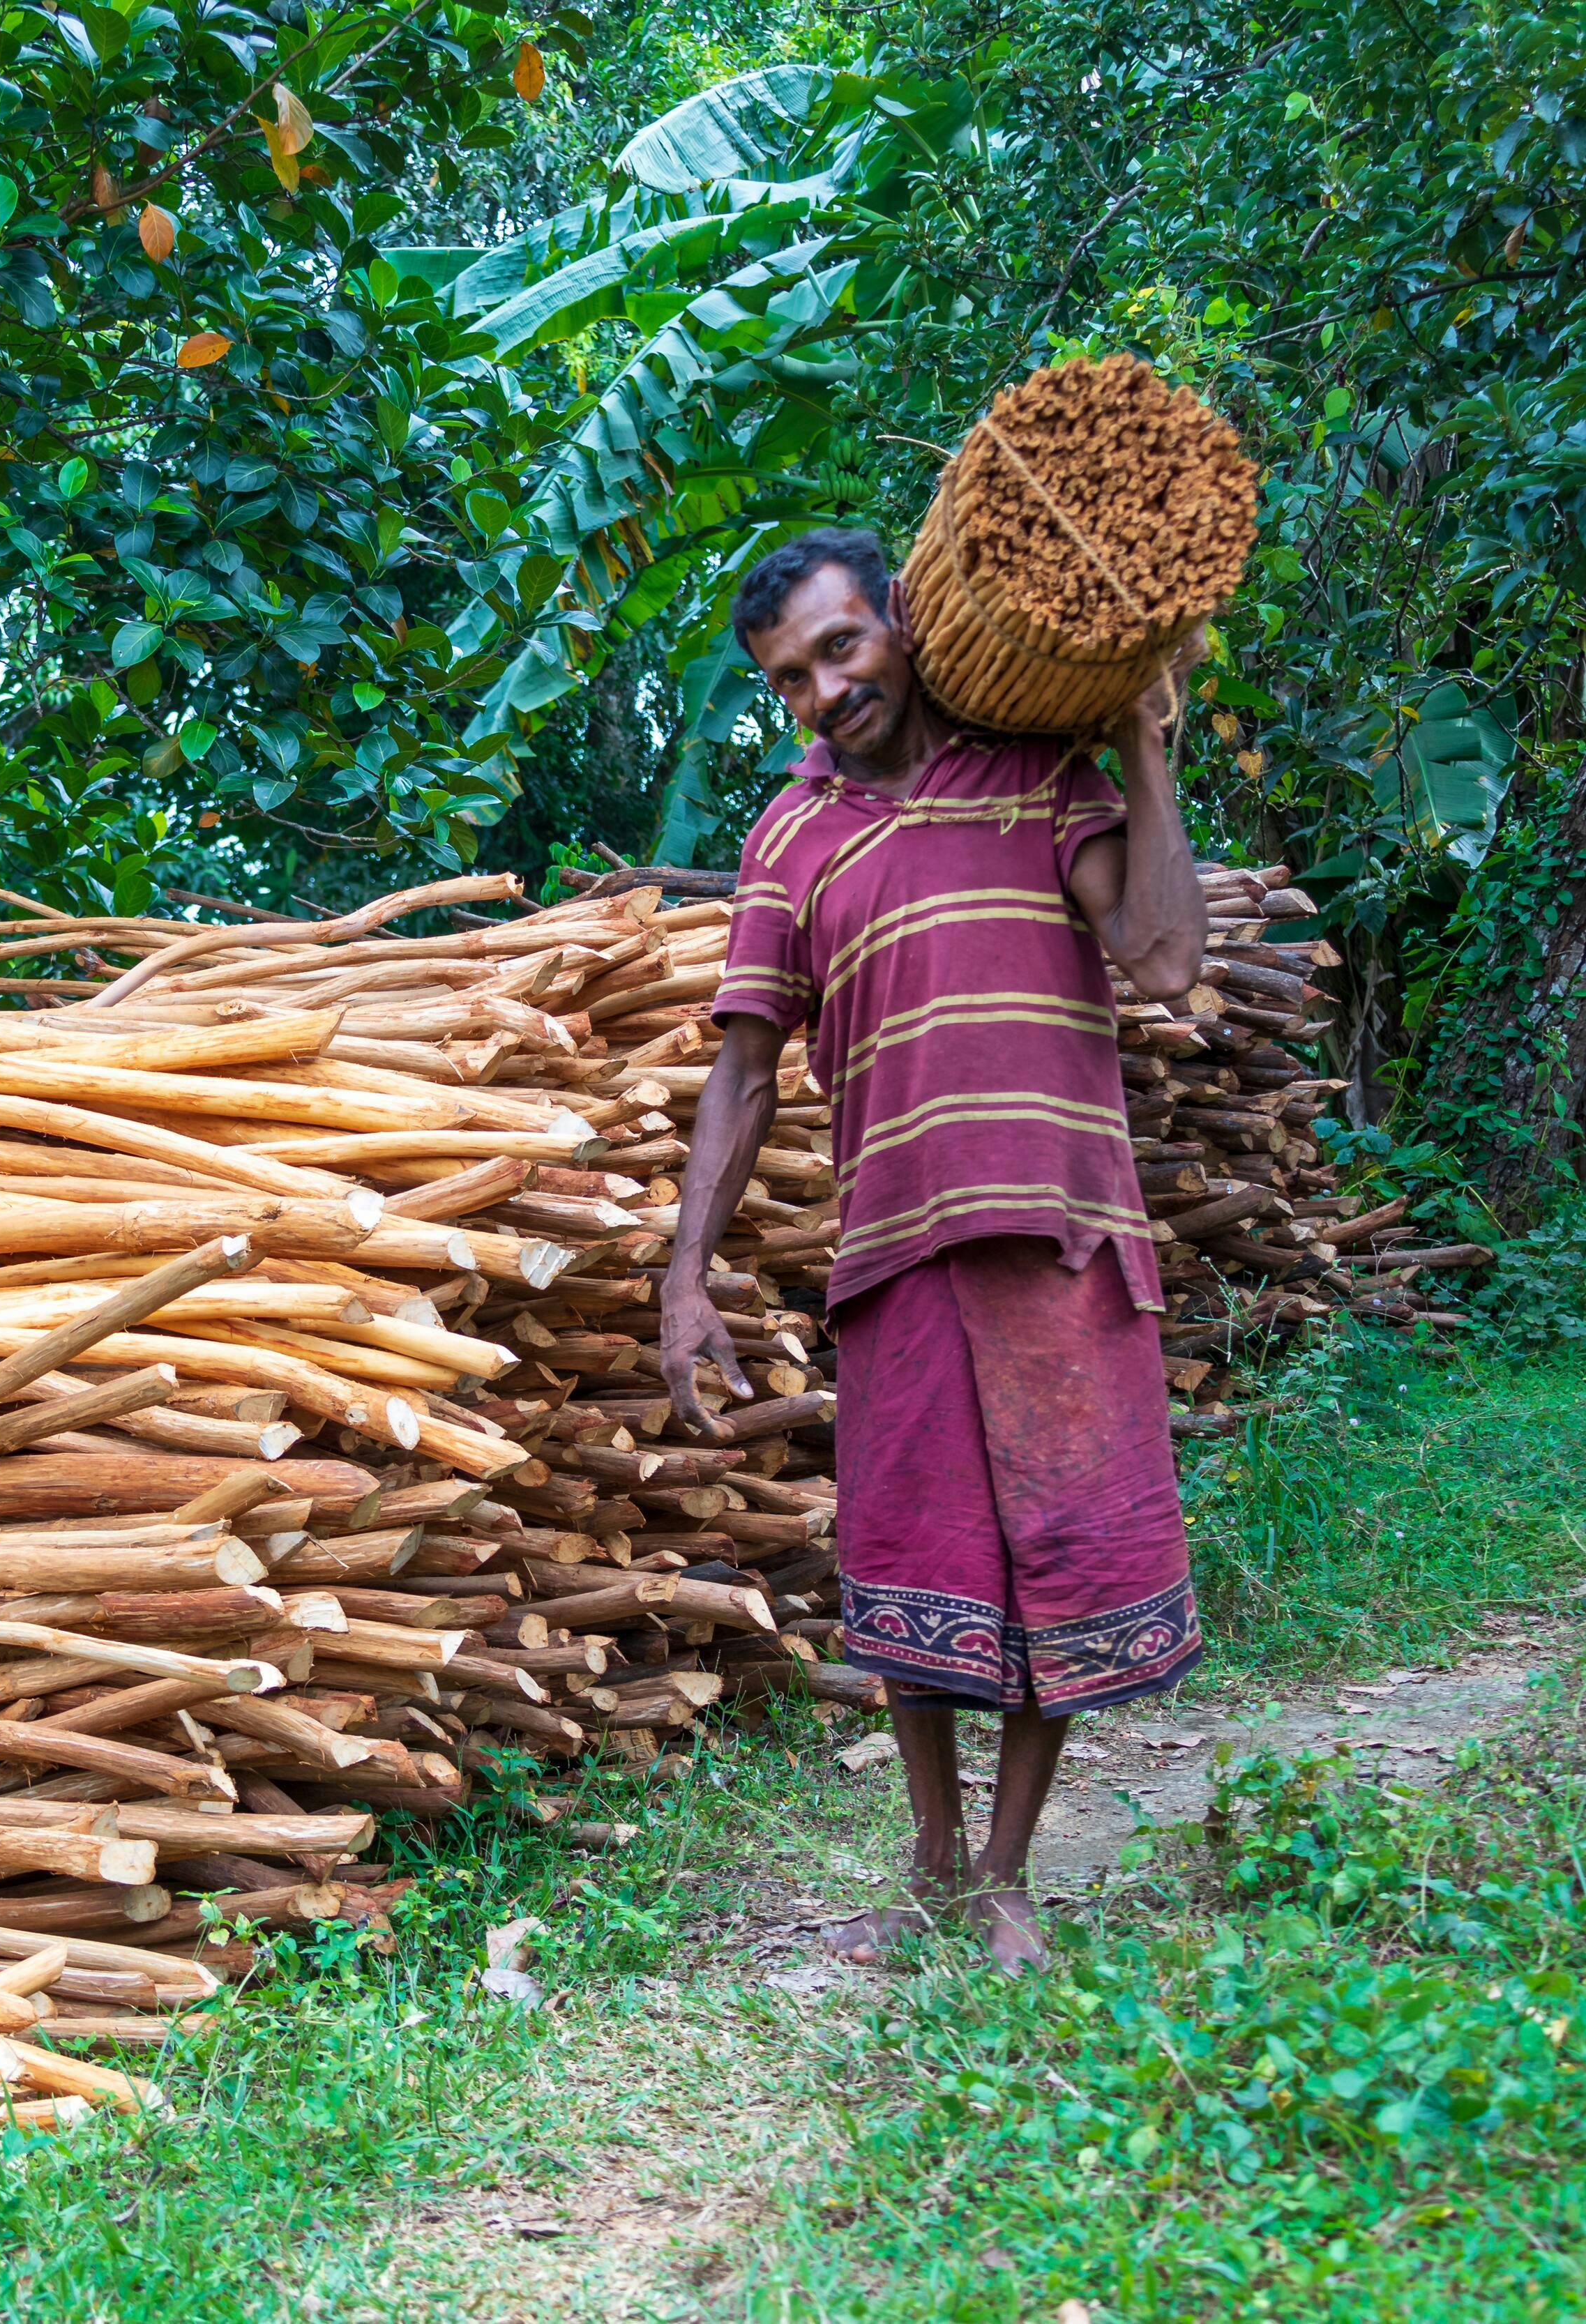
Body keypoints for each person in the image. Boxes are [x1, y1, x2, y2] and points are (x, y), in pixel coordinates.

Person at [658, 525, 1209, 1973]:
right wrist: (682, 1279)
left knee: (1063, 1567)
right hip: (894, 1252)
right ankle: (932, 1853)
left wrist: (1144, 744)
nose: (823, 689)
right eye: (790, 676)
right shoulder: (788, 837)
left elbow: (1159, 959)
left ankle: (1007, 1873)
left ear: (901, 621)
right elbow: (743, 1069)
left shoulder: (1042, 776)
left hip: (1062, 1233)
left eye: (840, 647)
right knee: (919, 1574)